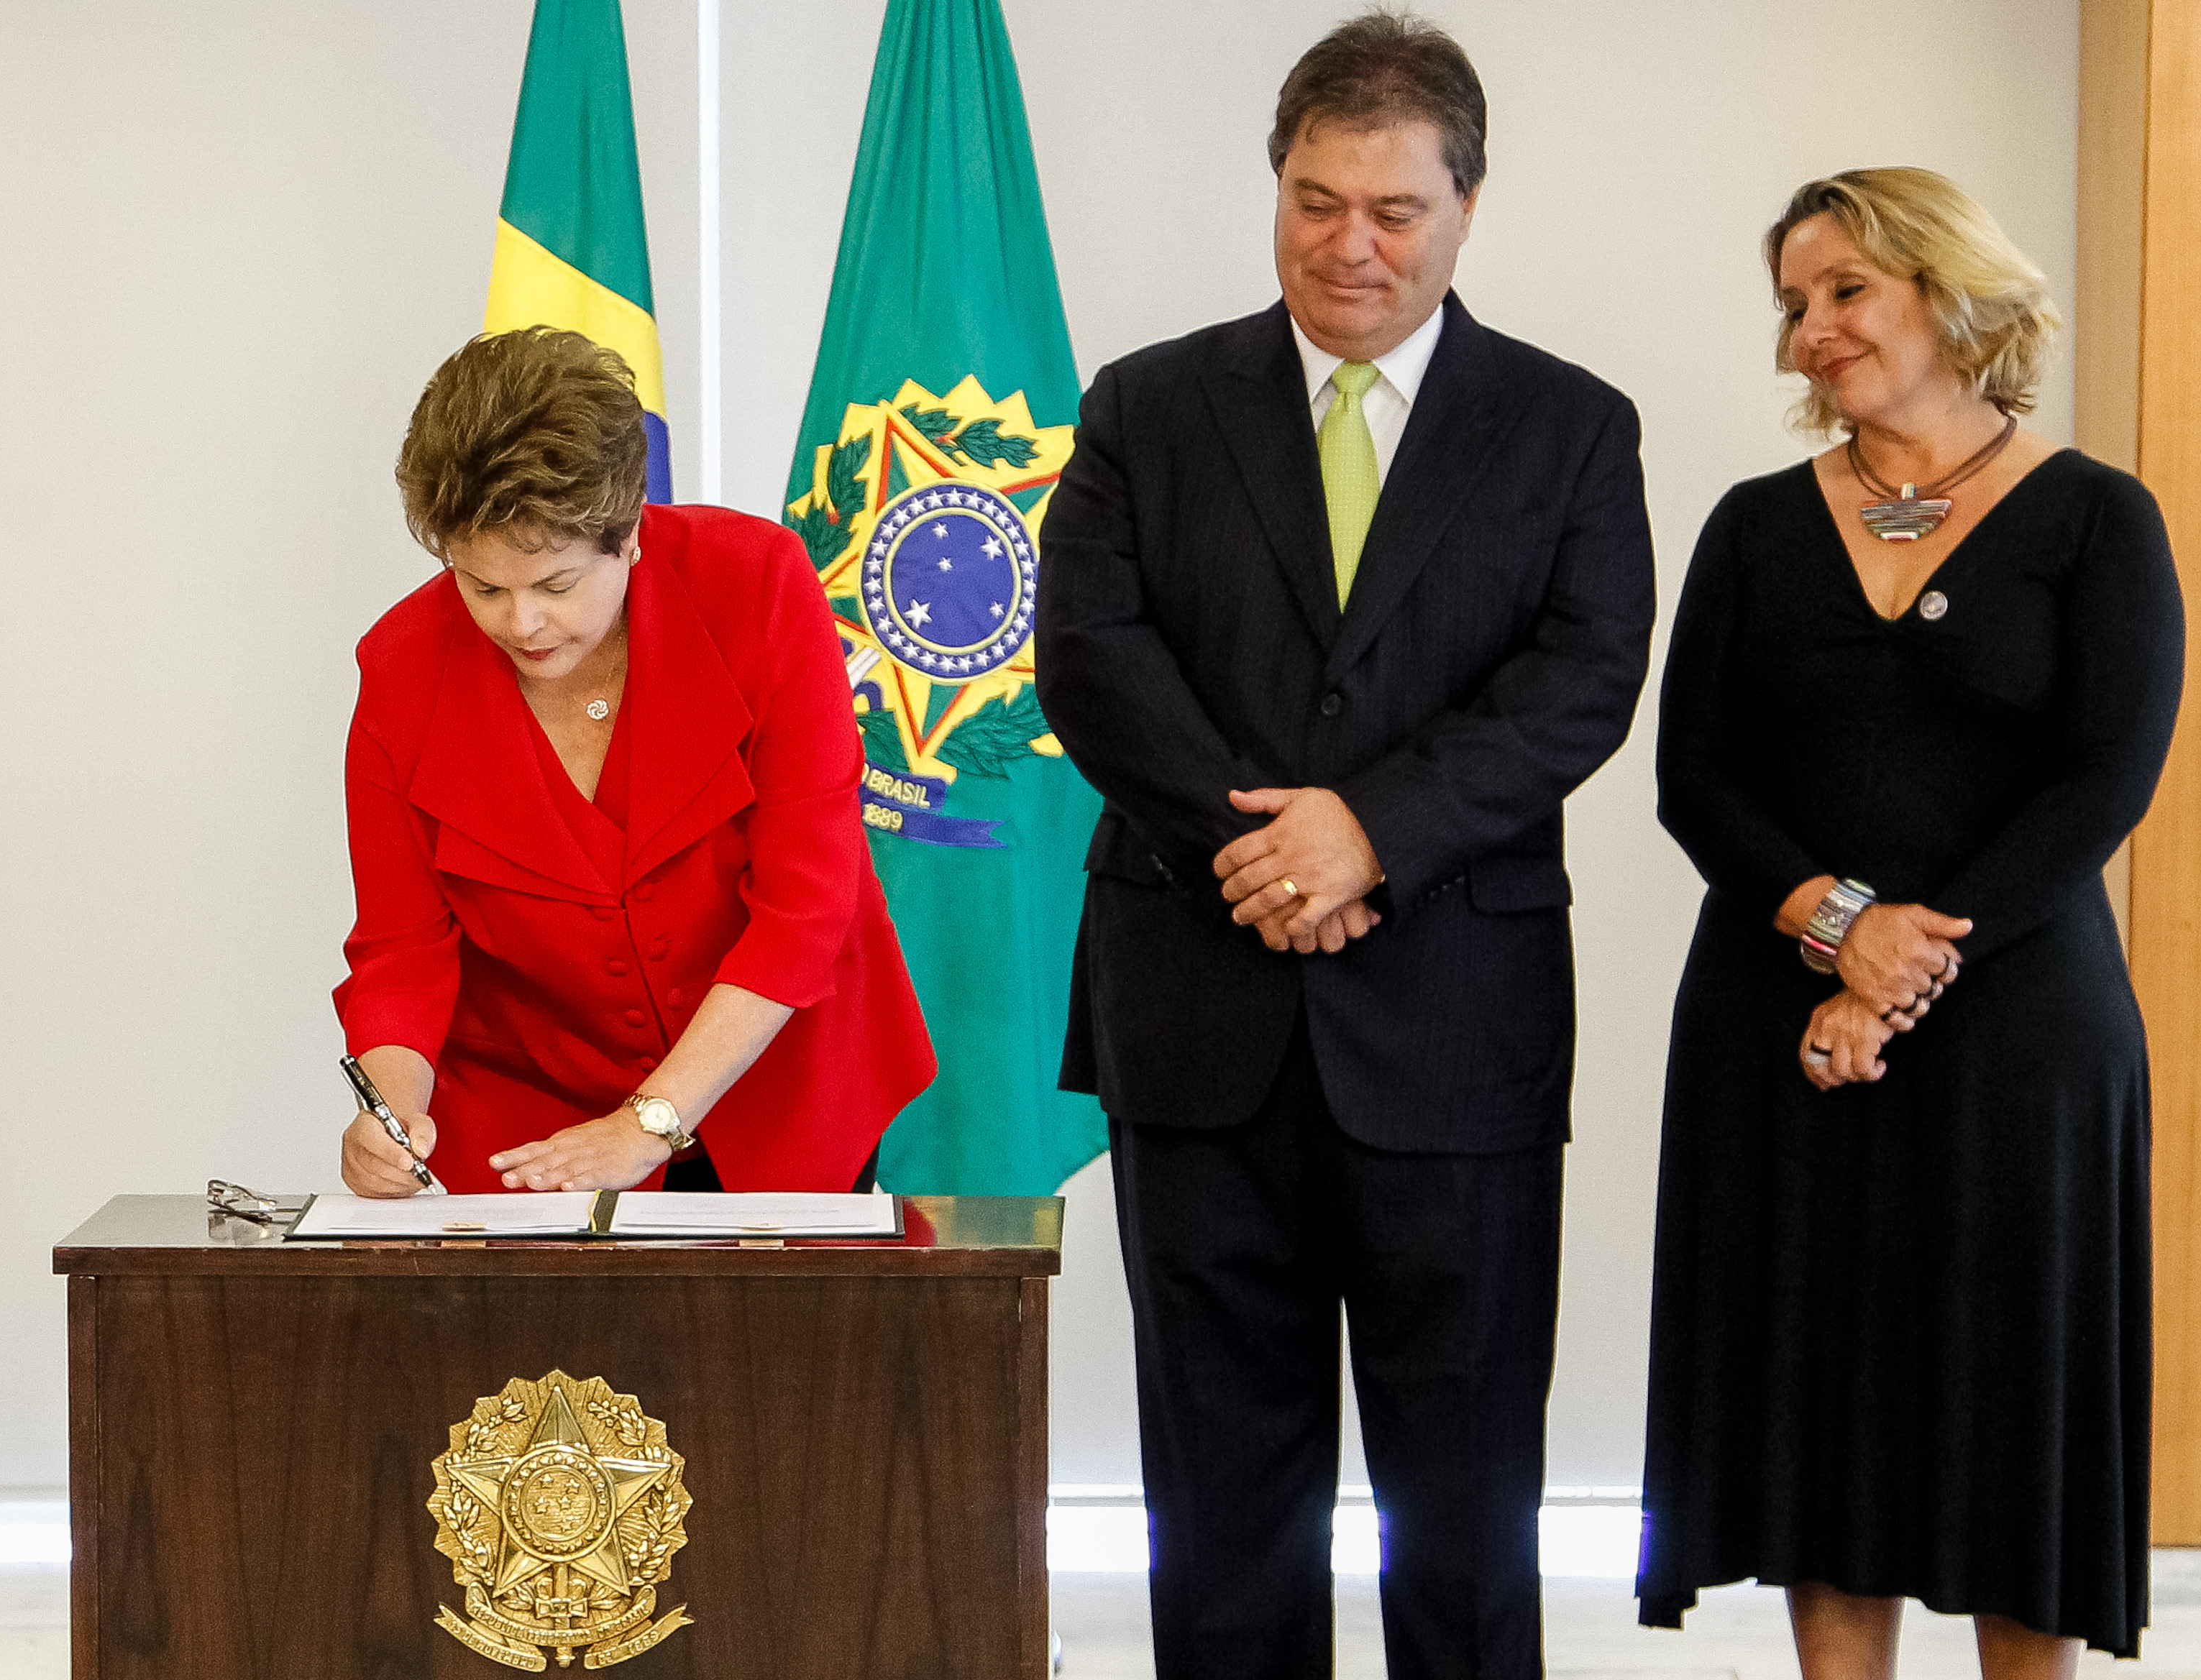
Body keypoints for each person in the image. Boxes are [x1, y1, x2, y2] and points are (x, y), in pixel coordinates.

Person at [1034, 14, 1654, 1677]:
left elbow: (1580, 681)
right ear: (1275, 190)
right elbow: (1088, 652)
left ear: (1463, 209)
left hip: (1455, 1027)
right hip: (1196, 1009)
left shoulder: (1569, 429)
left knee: (1460, 1500)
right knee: (1220, 1493)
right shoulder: (1145, 406)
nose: (1350, 245)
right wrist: (1267, 846)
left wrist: (1365, 832)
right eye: (1315, 202)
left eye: (1392, 211)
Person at [1636, 168, 2185, 1679]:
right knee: (1823, 1420)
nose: (1808, 333)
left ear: (1946, 291)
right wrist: (1834, 930)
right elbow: (1695, 776)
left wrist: (1892, 967)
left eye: (1843, 292)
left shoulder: (2094, 519)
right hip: (1779, 1024)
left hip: (2020, 1034)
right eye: (1792, 304)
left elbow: (2104, 779)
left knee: (2018, 1416)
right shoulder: (1752, 529)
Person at [334, 327, 933, 1198]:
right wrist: (388, 1113)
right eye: (482, 586)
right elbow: (403, 948)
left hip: (781, 1085)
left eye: (557, 585)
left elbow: (806, 906)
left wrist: (649, 1121)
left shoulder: (757, 585)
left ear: (630, 534)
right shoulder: (399, 668)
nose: (521, 624)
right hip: (533, 1123)